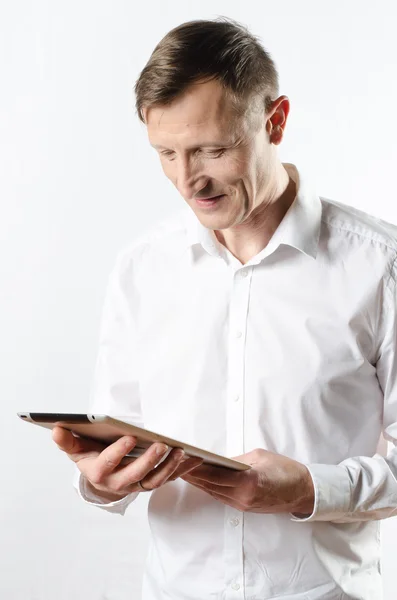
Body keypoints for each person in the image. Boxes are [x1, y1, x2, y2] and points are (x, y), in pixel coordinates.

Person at [52, 16, 397, 600]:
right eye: (167, 153)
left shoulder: (380, 266)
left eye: (212, 150)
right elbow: (115, 434)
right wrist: (104, 481)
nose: (189, 181)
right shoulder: (141, 271)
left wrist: (310, 489)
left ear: (275, 120)